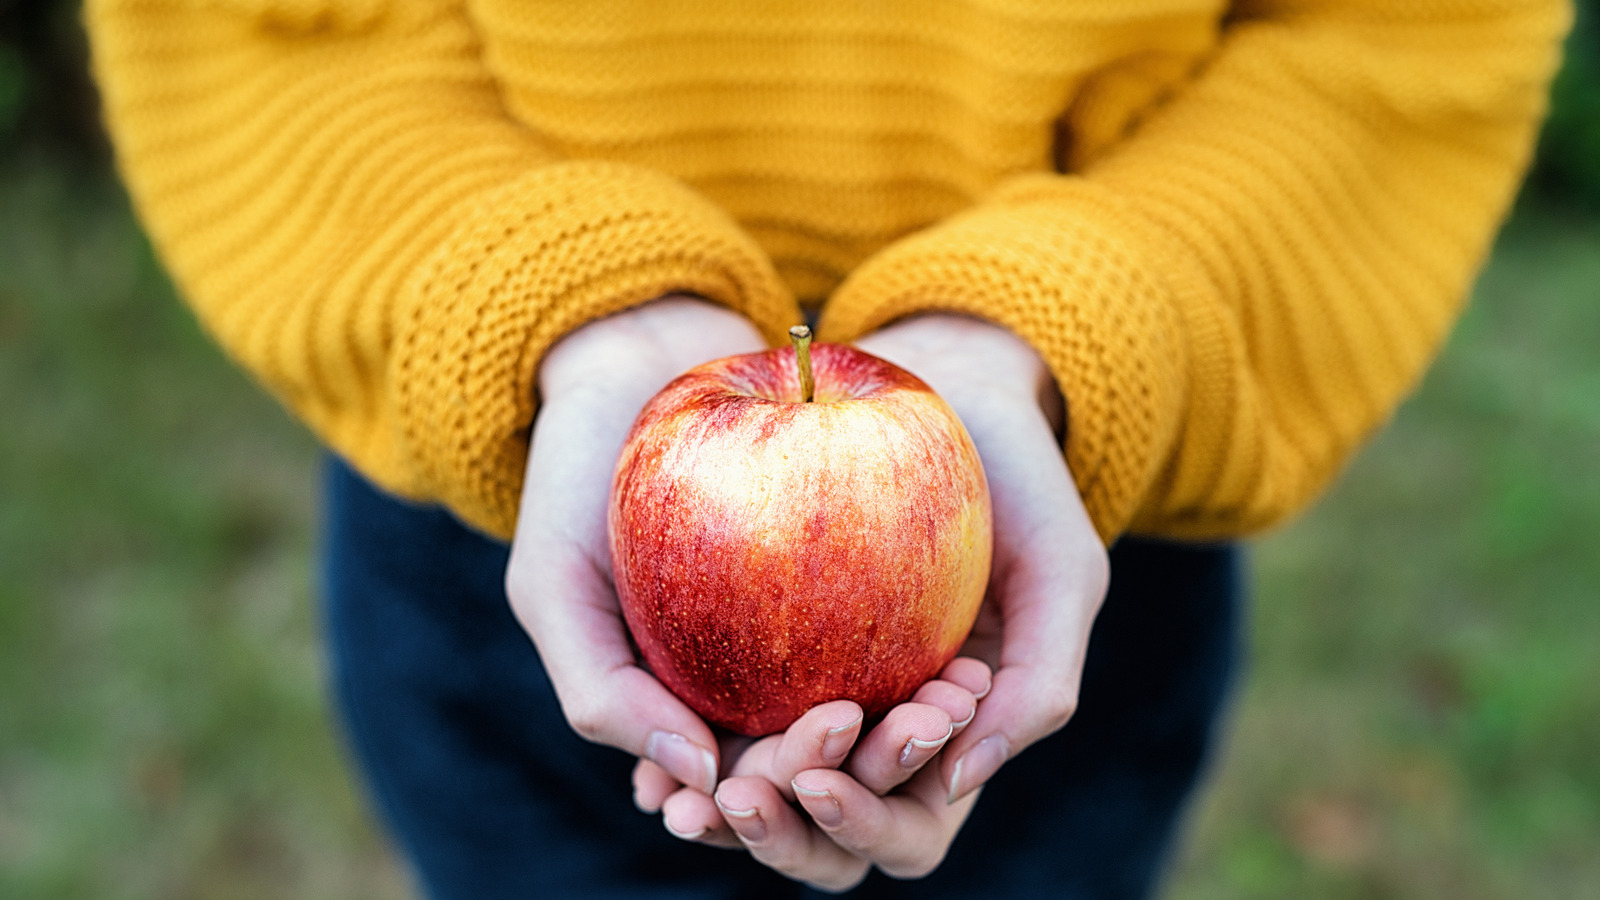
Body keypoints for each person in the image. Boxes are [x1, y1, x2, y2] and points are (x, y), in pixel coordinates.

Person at [84, 0, 1568, 896]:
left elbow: (1397, 41)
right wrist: (556, 304)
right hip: (538, 497)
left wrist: (1071, 327)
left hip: (1046, 538)